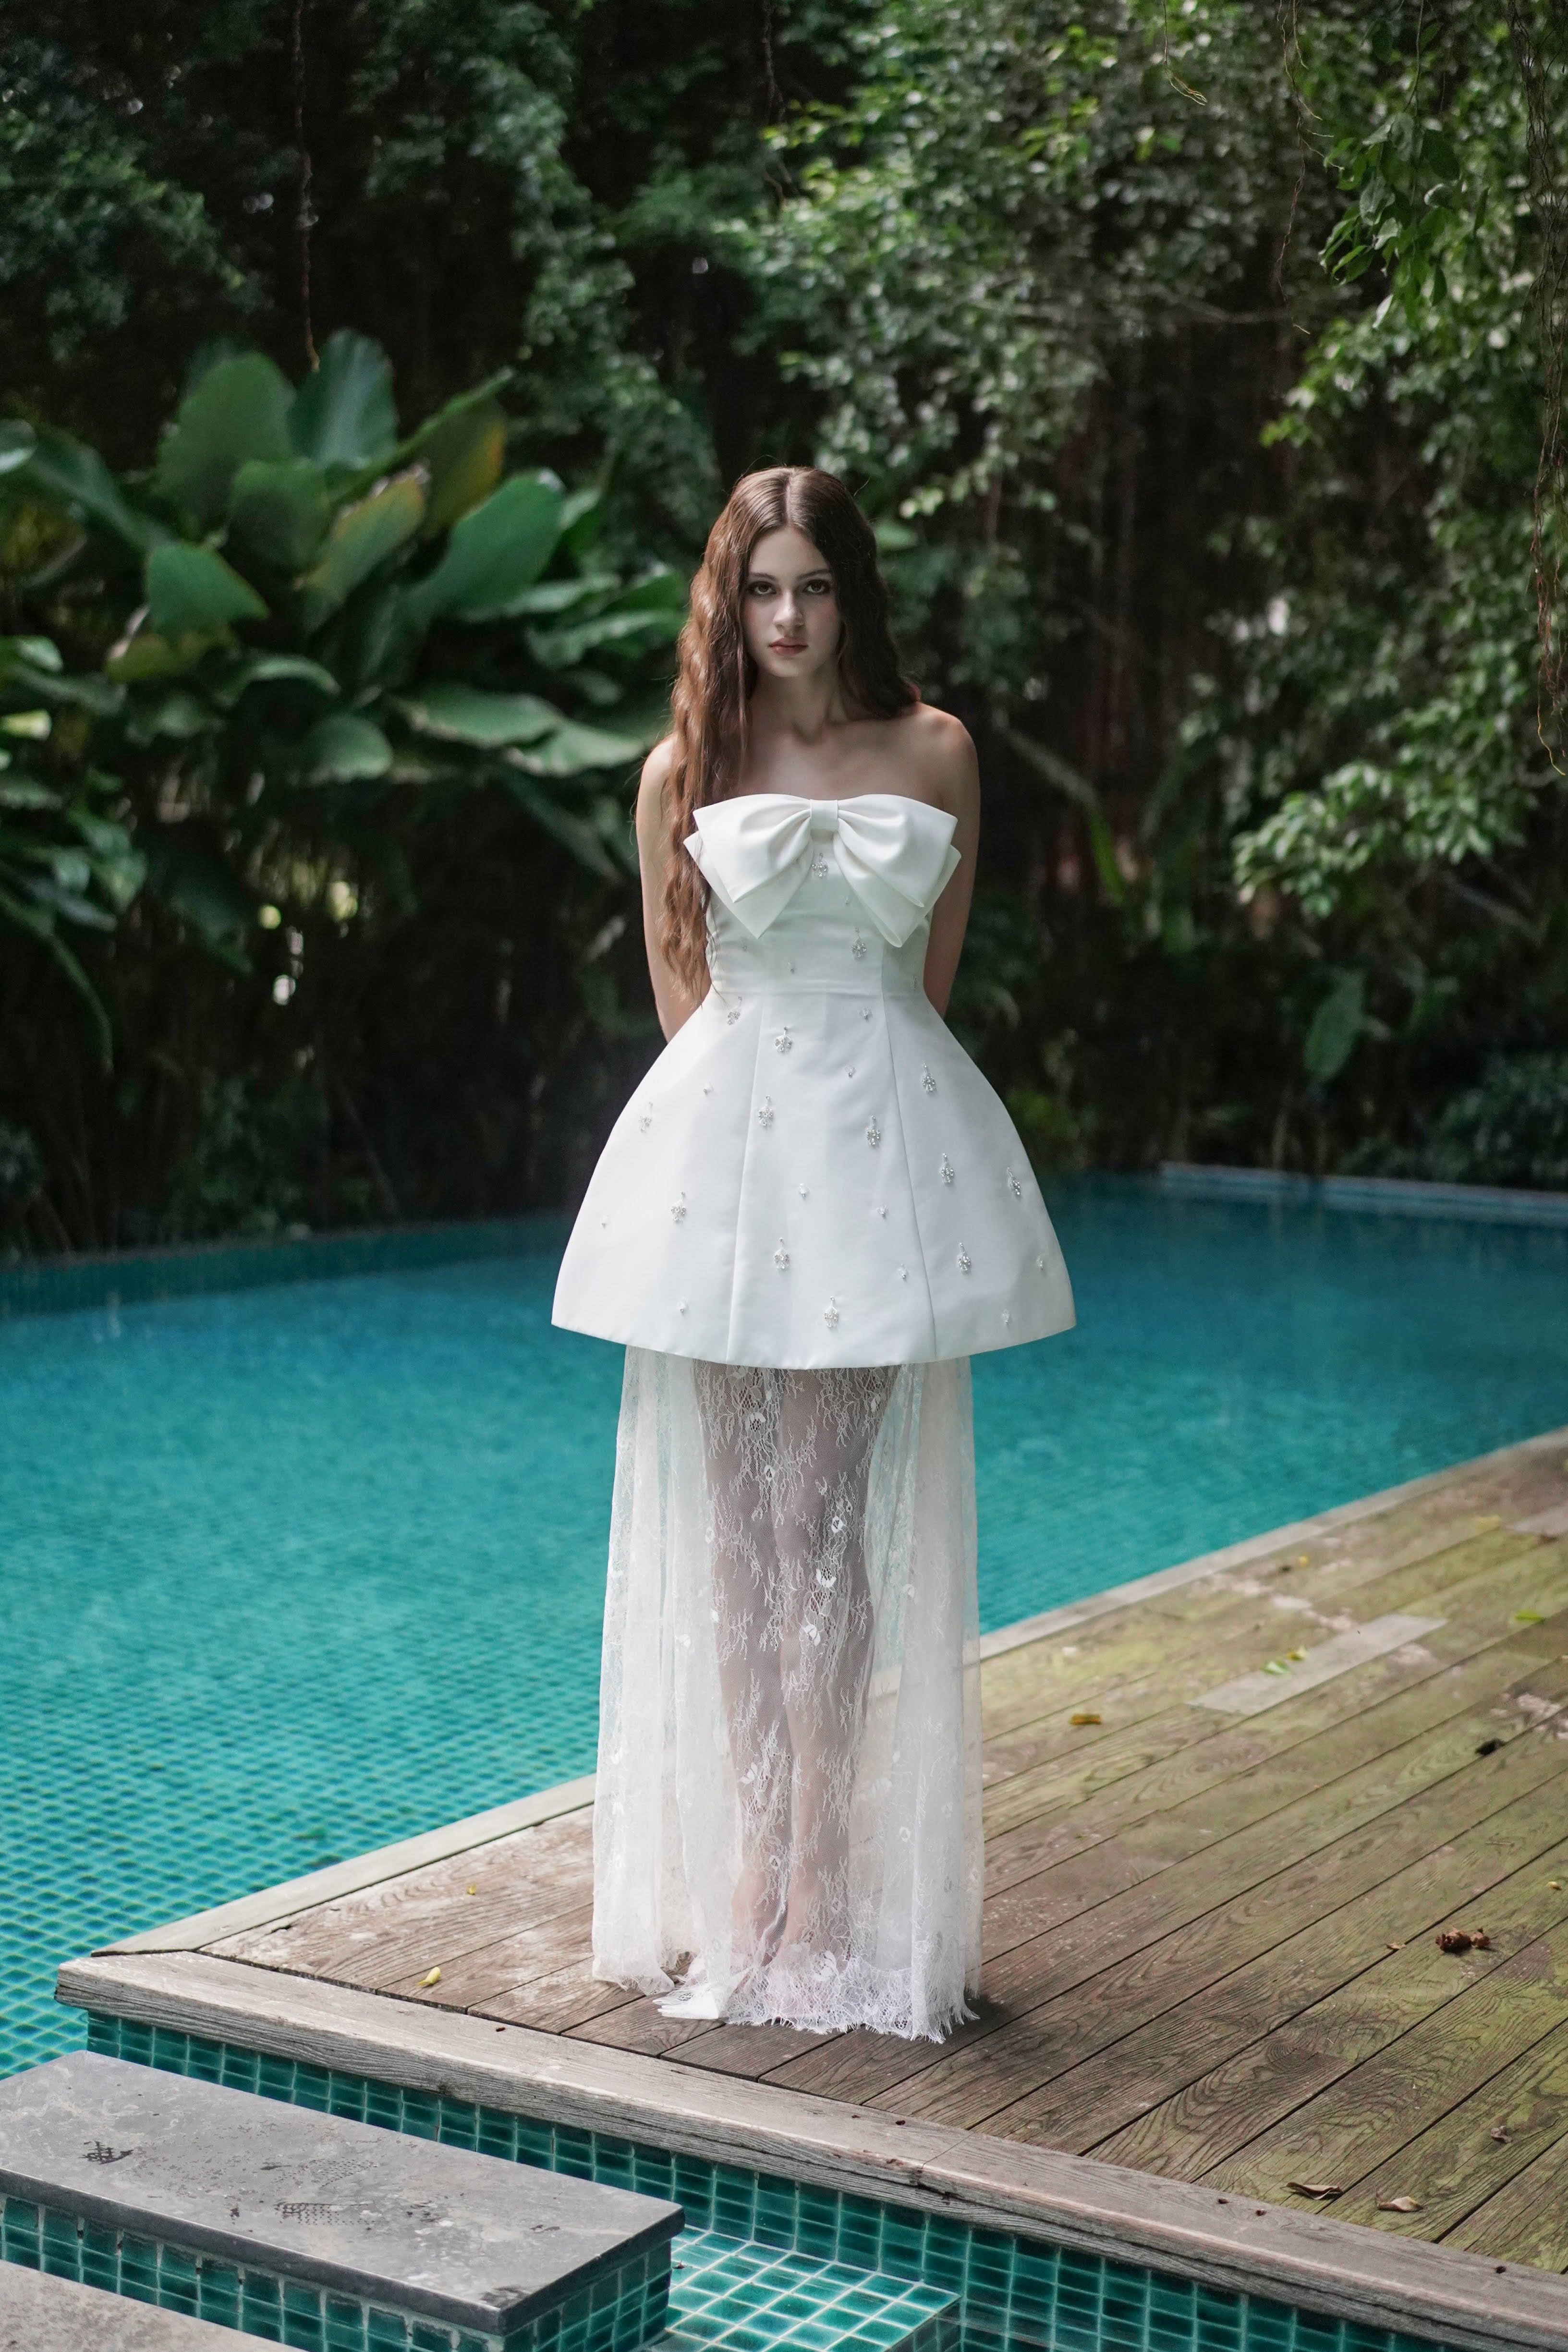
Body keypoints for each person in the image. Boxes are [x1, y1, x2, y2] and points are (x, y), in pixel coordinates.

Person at [552, 467, 1074, 2041]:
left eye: (814, 588)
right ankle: (751, 1879)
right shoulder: (678, 772)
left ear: (856, 592)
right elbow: (678, 998)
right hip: (725, 1159)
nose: (786, 619)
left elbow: (930, 973)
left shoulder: (938, 752)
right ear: (732, 597)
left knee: (823, 1515)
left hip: (871, 1152)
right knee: (737, 1529)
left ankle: (826, 1888)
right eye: (761, 589)